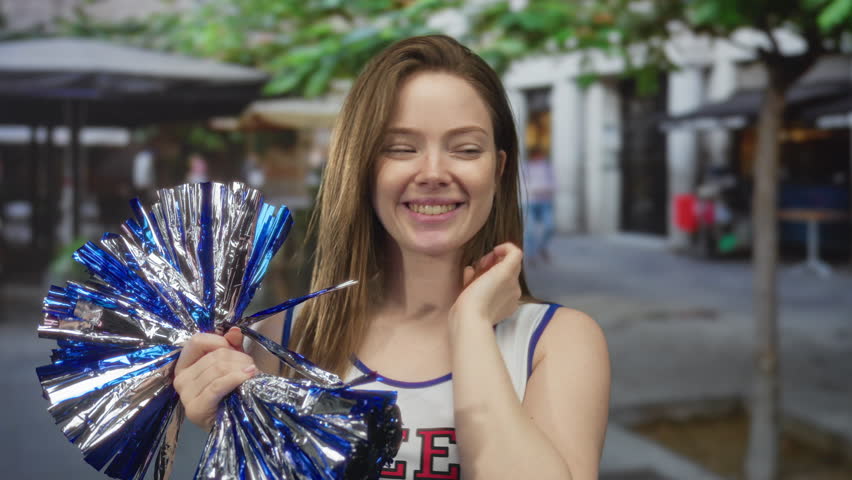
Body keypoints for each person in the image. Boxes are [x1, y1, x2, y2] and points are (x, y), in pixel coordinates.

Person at [173, 35, 610, 479]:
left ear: (497, 170)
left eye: (465, 149)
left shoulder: (557, 343)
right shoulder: (283, 339)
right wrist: (230, 426)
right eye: (401, 147)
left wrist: (473, 326)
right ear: (363, 166)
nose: (435, 173)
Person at [523, 147, 556, 263]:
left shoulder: (547, 167)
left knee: (550, 226)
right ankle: (531, 255)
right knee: (530, 231)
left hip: (545, 202)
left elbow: (553, 184)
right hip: (530, 202)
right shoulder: (525, 167)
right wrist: (540, 189)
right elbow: (524, 185)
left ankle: (542, 248)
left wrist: (545, 190)